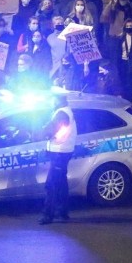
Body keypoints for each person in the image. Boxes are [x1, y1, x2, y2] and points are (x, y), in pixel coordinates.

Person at [39, 93, 76, 225]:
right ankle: (63, 212)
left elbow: (49, 131)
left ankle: (48, 215)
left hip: (59, 152)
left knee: (51, 184)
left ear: (56, 100)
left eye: (51, 99)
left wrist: (43, 131)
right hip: (62, 151)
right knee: (61, 183)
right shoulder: (64, 111)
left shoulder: (61, 114)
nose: (50, 101)